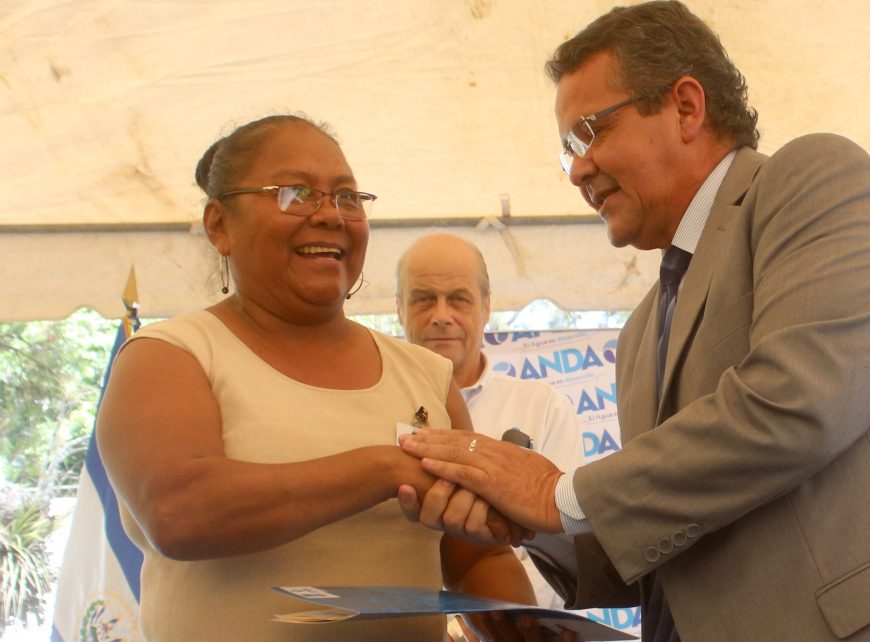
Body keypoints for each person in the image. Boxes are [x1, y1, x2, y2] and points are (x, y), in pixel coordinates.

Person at [398, 2, 870, 640]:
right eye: (567, 153)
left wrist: (556, 494)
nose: (578, 169)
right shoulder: (641, 332)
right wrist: (521, 521)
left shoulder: (814, 179)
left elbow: (796, 403)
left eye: (588, 133)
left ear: (686, 107)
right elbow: (666, 534)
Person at [95, 114, 540, 641]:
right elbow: (178, 514)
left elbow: (475, 557)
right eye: (296, 193)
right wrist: (385, 468)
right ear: (219, 225)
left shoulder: (425, 375)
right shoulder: (170, 356)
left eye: (347, 197)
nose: (330, 215)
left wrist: (521, 624)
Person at [396, 232, 586, 612]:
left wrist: (495, 623)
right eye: (423, 299)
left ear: (486, 307)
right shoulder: (374, 406)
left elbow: (563, 543)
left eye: (459, 299)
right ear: (399, 309)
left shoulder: (543, 407)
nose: (441, 315)